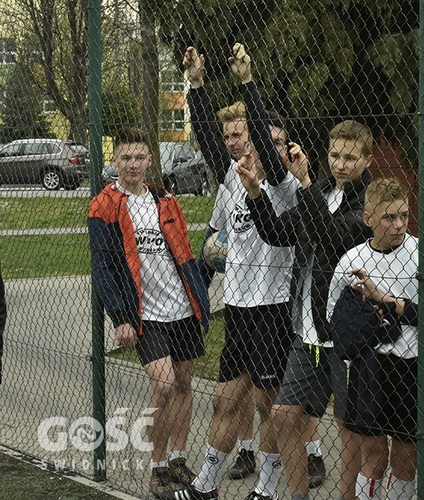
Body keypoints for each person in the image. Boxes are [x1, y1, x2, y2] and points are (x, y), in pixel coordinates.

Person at [184, 44, 305, 500]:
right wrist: (196, 86)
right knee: (225, 399)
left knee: (272, 407)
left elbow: (269, 156)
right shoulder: (231, 180)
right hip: (237, 307)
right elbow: (214, 145)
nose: (238, 141)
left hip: (272, 309)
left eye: (246, 133)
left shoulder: (282, 183)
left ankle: (269, 489)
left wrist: (248, 81)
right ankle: (205, 485)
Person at [237, 118, 375, 500]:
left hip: (345, 337)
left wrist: (307, 185)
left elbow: (334, 241)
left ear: (367, 159)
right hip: (307, 331)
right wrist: (254, 194)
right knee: (283, 416)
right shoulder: (323, 189)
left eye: (350, 157)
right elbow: (277, 233)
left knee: (348, 430)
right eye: (334, 155)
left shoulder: (366, 201)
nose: (341, 164)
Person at [88, 128, 210, 499]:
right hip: (145, 313)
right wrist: (120, 316)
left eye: (139, 157)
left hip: (181, 307)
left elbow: (184, 253)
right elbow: (104, 268)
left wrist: (200, 294)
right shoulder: (104, 205)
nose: (133, 165)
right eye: (126, 158)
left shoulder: (165, 200)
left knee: (186, 383)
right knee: (164, 384)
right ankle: (157, 467)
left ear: (149, 161)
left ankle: (177, 458)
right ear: (114, 160)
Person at [326, 177, 424, 499]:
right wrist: (361, 316)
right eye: (388, 217)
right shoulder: (350, 261)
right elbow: (333, 320)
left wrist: (386, 302)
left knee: (406, 462)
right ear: (368, 219)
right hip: (369, 367)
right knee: (373, 459)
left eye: (404, 216)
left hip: (411, 368)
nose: (398, 225)